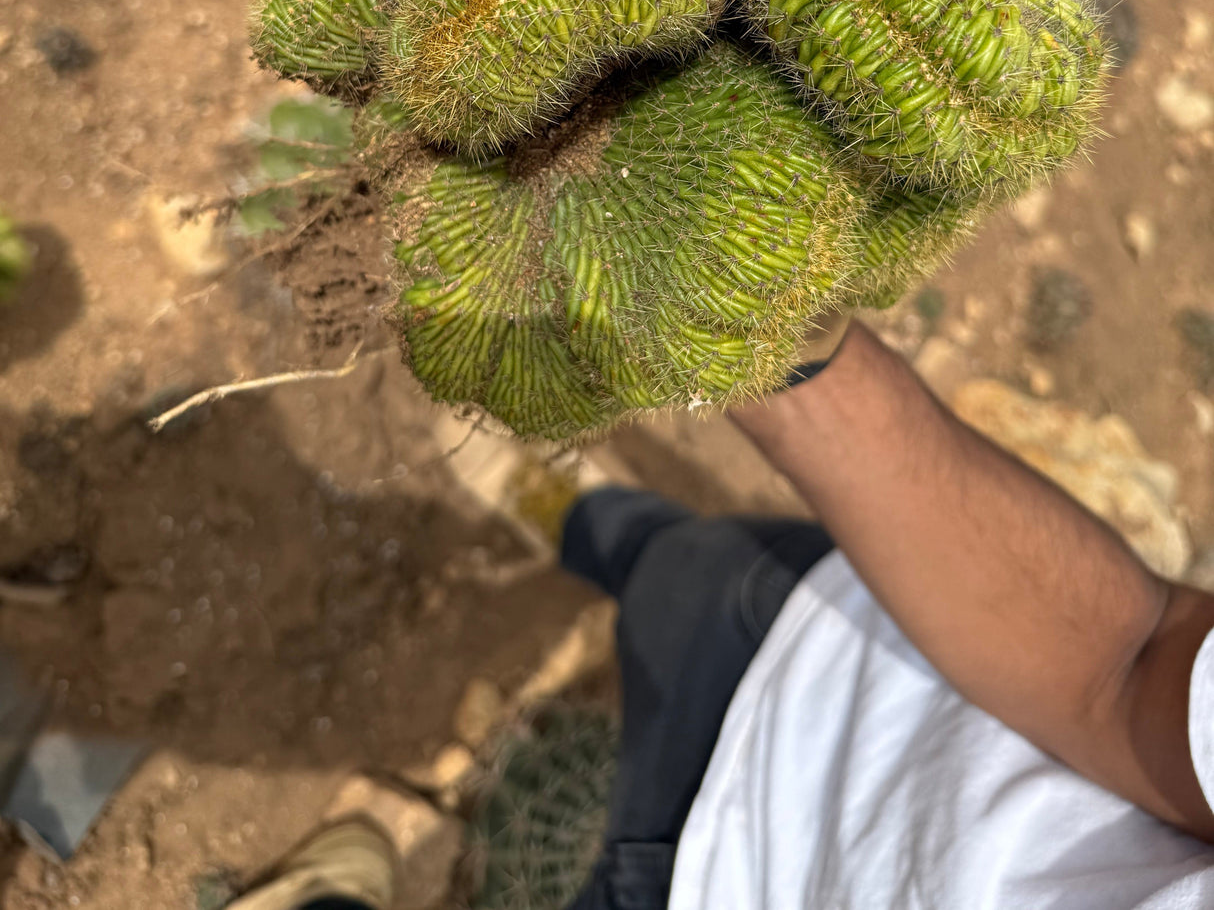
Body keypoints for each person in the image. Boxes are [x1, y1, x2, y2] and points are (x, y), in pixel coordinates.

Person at [229, 318, 1214, 910]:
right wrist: (784, 335)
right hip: (828, 694)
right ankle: (574, 514)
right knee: (668, 559)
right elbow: (1122, 662)